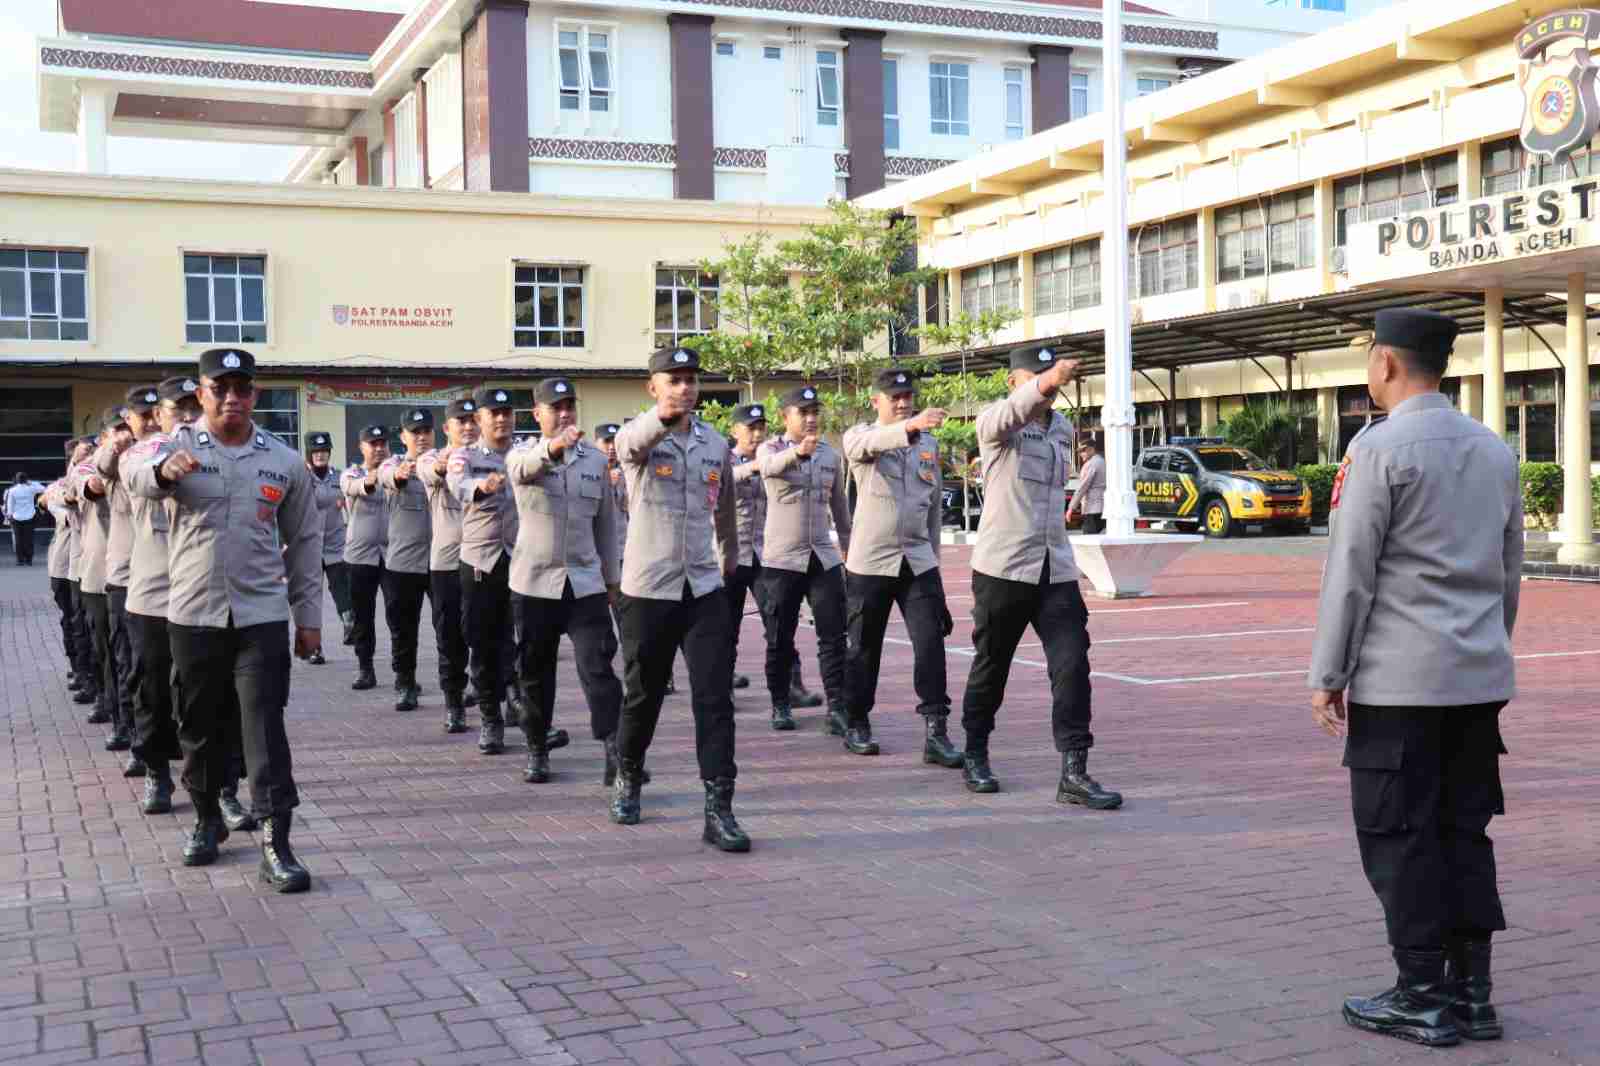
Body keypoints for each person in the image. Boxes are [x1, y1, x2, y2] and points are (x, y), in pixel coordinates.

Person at [1309, 309, 1520, 1048]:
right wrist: (1490, 650)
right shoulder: (1493, 448)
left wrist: (1328, 673)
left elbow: (1351, 576)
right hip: (1476, 679)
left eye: (1369, 357)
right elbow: (1508, 570)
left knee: (1398, 835)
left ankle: (1422, 995)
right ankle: (1474, 995)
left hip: (1400, 685)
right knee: (1464, 830)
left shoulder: (1378, 449)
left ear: (1387, 365)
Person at [128, 347, 321, 892]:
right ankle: (206, 819)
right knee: (198, 726)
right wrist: (164, 471)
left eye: (242, 388)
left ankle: (275, 843)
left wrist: (308, 618)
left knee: (263, 727)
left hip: (260, 616)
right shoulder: (176, 444)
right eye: (221, 388)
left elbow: (305, 542)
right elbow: (132, 470)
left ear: (255, 394)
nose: (232, 397)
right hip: (192, 614)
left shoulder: (283, 461)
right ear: (202, 393)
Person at [959, 345, 1121, 809]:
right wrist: (1047, 381)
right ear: (1015, 382)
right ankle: (975, 753)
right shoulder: (996, 422)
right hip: (1004, 568)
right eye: (1036, 376)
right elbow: (1010, 414)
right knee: (993, 663)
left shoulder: (1062, 427)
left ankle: (1075, 771)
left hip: (1055, 568)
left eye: (1049, 375)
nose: (1047, 384)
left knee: (1073, 664)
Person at [611, 346, 747, 851]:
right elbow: (628, 448)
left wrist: (729, 554)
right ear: (653, 387)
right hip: (649, 588)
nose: (685, 388)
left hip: (703, 587)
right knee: (643, 693)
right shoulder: (639, 436)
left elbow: (725, 506)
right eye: (674, 380)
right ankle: (628, 773)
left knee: (715, 698)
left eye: (691, 380)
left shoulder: (714, 443)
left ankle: (720, 808)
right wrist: (660, 419)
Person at [840, 369, 962, 766]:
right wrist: (908, 426)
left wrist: (937, 566)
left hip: (917, 560)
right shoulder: (860, 436)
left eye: (908, 395)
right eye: (894, 396)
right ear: (875, 400)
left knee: (931, 643)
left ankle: (936, 731)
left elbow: (931, 515)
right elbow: (862, 448)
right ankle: (856, 721)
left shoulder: (928, 443)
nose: (903, 401)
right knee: (863, 647)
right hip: (871, 560)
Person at [506, 378, 623, 784]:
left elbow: (608, 524)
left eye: (570, 405)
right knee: (536, 672)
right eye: (556, 407)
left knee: (598, 665)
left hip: (585, 582)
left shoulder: (594, 459)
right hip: (535, 583)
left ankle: (615, 749)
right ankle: (537, 747)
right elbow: (522, 472)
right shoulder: (522, 453)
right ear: (537, 414)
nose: (565, 413)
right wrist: (553, 449)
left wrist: (612, 579)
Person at [756, 385, 852, 735]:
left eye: (816, 412)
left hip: (822, 558)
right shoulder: (771, 448)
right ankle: (780, 703)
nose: (812, 419)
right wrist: (797, 452)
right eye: (803, 412)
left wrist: (848, 550)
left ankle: (838, 706)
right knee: (780, 636)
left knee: (833, 634)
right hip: (782, 560)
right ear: (785, 417)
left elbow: (840, 507)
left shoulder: (830, 455)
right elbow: (767, 469)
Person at [121, 381, 194, 813]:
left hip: (202, 592)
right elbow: (141, 476)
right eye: (176, 409)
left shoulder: (217, 450)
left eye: (191, 406)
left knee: (206, 693)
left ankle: (218, 784)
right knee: (152, 691)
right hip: (153, 594)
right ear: (159, 415)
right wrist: (168, 468)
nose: (185, 416)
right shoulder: (142, 451)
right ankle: (157, 773)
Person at [447, 387, 519, 755]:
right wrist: (481, 486)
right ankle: (491, 718)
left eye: (507, 412)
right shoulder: (466, 456)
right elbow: (457, 484)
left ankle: (519, 703)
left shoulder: (524, 453)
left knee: (520, 638)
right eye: (494, 413)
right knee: (482, 641)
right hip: (481, 560)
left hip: (522, 558)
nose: (502, 418)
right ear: (479, 420)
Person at [74, 408, 134, 751]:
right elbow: (89, 486)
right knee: (111, 652)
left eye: (129, 427)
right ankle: (120, 720)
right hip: (101, 576)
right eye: (117, 429)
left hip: (144, 575)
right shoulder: (93, 463)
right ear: (104, 437)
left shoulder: (147, 459)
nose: (125, 434)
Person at [417, 397, 478, 733]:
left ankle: (500, 697)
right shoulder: (432, 456)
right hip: (446, 563)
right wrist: (449, 464)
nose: (467, 426)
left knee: (490, 633)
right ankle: (454, 702)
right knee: (450, 637)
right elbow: (429, 470)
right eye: (460, 421)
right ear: (447, 428)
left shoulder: (488, 458)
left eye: (472, 420)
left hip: (485, 559)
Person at [377, 410, 436, 712]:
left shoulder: (445, 462)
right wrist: (400, 475)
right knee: (403, 628)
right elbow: (385, 476)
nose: (422, 436)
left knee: (452, 627)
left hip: (442, 562)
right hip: (403, 564)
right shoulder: (393, 464)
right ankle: (405, 683)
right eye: (415, 432)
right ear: (403, 437)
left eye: (427, 430)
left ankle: (459, 684)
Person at [341, 425, 390, 691]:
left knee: (399, 616)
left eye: (383, 443)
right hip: (360, 557)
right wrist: (371, 480)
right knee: (363, 616)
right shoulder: (352, 472)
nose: (379, 448)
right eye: (373, 443)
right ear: (362, 447)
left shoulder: (398, 470)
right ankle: (365, 669)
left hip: (394, 554)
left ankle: (405, 673)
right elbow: (352, 486)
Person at [305, 431, 350, 659]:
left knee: (341, 587)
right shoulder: (301, 479)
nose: (320, 455)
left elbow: (353, 501)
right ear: (309, 454)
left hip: (336, 544)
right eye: (316, 452)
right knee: (312, 598)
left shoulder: (340, 477)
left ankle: (348, 623)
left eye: (324, 451)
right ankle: (314, 648)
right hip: (309, 547)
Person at [4, 472, 45, 565]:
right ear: (26, 480)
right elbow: (43, 489)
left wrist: (9, 515)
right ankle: (29, 560)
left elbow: (10, 504)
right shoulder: (31, 488)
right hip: (29, 517)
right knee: (29, 539)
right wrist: (32, 483)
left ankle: (20, 560)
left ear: (16, 480)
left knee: (18, 539)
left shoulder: (12, 490)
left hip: (16, 518)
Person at [1068, 435, 1106, 535]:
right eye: (1080, 451)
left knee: (1089, 540)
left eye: (1083, 451)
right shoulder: (1102, 462)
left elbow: (1082, 488)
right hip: (1103, 507)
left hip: (1092, 508)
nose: (1081, 454)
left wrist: (1071, 508)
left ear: (1091, 450)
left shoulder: (1091, 464)